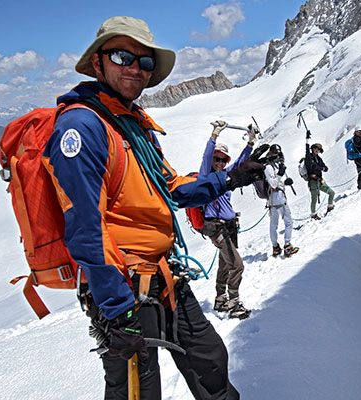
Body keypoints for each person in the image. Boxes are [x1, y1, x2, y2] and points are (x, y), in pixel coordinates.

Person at [47, 16, 261, 400]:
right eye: (121, 56)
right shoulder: (82, 127)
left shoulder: (133, 125)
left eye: (144, 62)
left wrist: (230, 177)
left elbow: (170, 187)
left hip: (164, 276)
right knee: (138, 390)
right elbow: (85, 227)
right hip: (125, 287)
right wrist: (116, 309)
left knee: (209, 358)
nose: (135, 68)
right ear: (98, 62)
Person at [197, 122, 255, 319]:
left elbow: (240, 164)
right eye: (217, 158)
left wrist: (250, 143)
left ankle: (220, 298)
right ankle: (234, 302)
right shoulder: (206, 176)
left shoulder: (224, 176)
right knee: (237, 265)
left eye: (223, 159)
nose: (220, 162)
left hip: (228, 226)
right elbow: (206, 157)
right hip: (216, 227)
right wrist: (214, 135)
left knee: (225, 263)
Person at [256, 144, 300, 258]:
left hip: (272, 198)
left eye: (279, 153)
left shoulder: (273, 165)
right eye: (276, 153)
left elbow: (277, 182)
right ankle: (287, 246)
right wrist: (281, 173)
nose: (277, 155)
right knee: (288, 222)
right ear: (271, 154)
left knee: (273, 224)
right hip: (278, 196)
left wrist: (285, 182)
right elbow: (274, 183)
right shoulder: (268, 167)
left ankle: (275, 247)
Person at [301, 143, 335, 219]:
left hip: (319, 180)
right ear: (312, 148)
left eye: (319, 149)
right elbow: (307, 151)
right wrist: (307, 140)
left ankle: (330, 207)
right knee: (314, 199)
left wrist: (323, 168)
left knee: (331, 192)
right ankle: (313, 215)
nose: (317, 150)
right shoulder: (308, 158)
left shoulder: (319, 159)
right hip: (312, 182)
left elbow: (325, 168)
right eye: (315, 148)